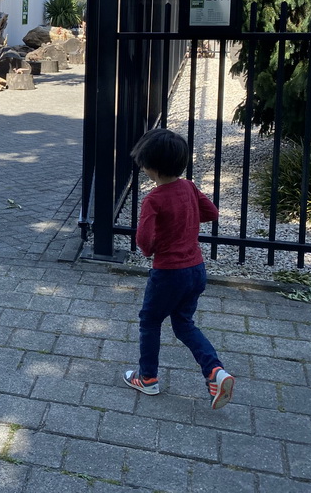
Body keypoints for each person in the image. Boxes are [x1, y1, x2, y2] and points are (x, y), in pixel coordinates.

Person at [122, 128, 235, 410]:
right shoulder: (189, 187)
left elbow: (144, 241)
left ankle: (147, 377)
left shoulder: (154, 199)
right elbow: (211, 213)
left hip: (169, 272)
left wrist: (152, 249)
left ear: (150, 166)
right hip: (196, 269)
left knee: (150, 321)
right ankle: (215, 372)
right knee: (184, 323)